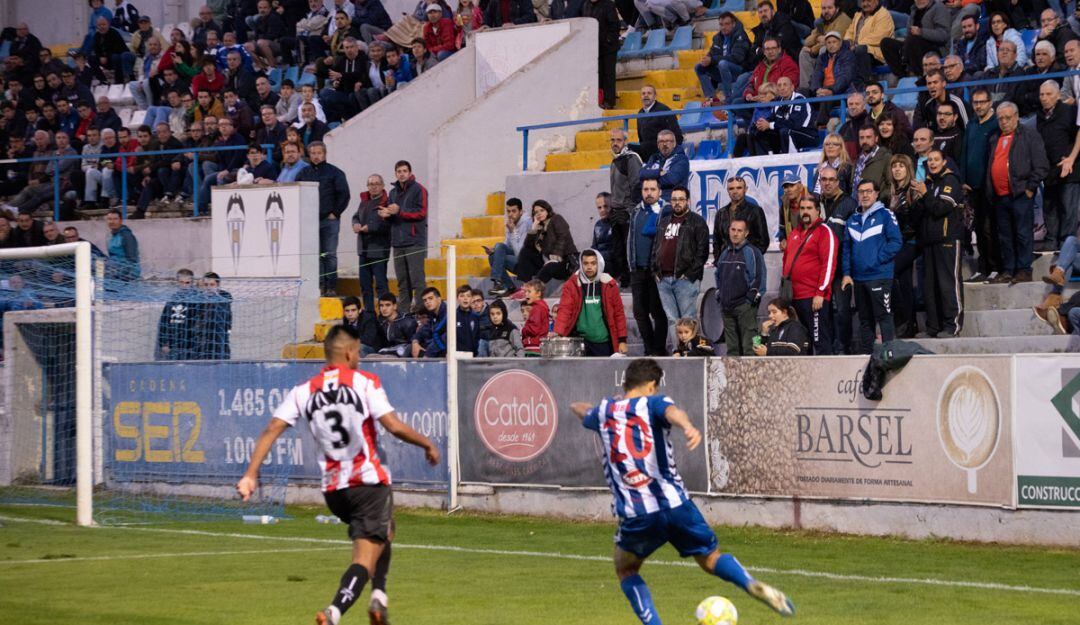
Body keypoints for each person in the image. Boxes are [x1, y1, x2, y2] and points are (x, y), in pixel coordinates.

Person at [236, 324, 440, 625]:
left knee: (386, 529)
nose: (359, 357)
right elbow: (393, 426)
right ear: (348, 352)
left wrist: (250, 475)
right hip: (368, 482)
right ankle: (334, 612)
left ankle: (379, 598)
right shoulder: (365, 382)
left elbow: (271, 430)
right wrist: (427, 443)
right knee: (364, 561)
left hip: (334, 491)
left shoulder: (302, 391)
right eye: (358, 352)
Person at [569, 358, 795, 625]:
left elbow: (580, 409)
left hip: (638, 512)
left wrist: (593, 409)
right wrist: (687, 426)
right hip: (677, 505)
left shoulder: (605, 412)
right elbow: (672, 412)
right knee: (711, 558)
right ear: (652, 385)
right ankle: (748, 583)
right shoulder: (653, 402)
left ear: (624, 383)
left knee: (626, 569)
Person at [986, 101, 1049, 284]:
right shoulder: (994, 137)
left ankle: (1024, 269)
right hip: (1000, 196)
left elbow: (1041, 165)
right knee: (1005, 236)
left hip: (1020, 194)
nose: (1004, 122)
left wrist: (1030, 188)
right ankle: (1008, 269)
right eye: (1000, 118)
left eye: (1007, 117)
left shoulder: (1029, 134)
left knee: (1022, 234)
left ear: (1016, 116)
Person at [842, 179, 902, 353]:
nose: (865, 195)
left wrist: (877, 260)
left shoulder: (885, 214)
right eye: (861, 191)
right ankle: (867, 356)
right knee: (864, 319)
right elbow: (846, 249)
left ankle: (889, 355)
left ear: (876, 194)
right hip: (859, 279)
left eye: (869, 191)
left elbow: (896, 242)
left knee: (884, 316)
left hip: (879, 276)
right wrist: (847, 273)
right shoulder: (851, 219)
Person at [913, 148, 964, 338]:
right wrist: (917, 199)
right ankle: (933, 327)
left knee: (948, 284)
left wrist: (925, 195)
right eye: (930, 160)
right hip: (929, 242)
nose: (932, 163)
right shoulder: (928, 184)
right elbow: (920, 213)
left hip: (948, 240)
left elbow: (941, 208)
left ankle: (953, 325)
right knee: (930, 287)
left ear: (944, 163)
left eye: (936, 160)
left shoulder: (950, 181)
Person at [651, 184, 708, 343]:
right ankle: (677, 353)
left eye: (681, 199)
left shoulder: (697, 221)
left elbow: (702, 252)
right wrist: (655, 271)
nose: (677, 203)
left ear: (688, 201)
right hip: (663, 279)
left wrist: (690, 275)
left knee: (688, 319)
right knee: (672, 320)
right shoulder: (663, 222)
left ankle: (693, 353)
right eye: (674, 199)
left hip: (685, 280)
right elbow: (655, 247)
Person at [782, 196, 837, 355]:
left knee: (820, 342)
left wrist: (820, 292)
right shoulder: (794, 233)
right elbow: (787, 260)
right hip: (794, 297)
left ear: (818, 211)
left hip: (814, 297)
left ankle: (825, 377)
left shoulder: (824, 231)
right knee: (801, 343)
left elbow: (829, 265)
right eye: (802, 208)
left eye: (809, 208)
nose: (805, 212)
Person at [296, 141, 350, 296]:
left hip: (329, 220)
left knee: (330, 254)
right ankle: (319, 286)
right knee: (316, 255)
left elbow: (344, 194)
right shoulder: (303, 173)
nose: (316, 156)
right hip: (310, 222)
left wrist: (335, 213)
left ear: (324, 154)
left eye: (319, 153)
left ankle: (331, 287)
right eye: (313, 153)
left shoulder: (335, 172)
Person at [553, 249, 628, 357]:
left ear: (599, 264)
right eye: (586, 263)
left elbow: (618, 313)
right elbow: (564, 310)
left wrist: (622, 340)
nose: (589, 267)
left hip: (603, 343)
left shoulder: (609, 284)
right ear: (581, 264)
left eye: (593, 263)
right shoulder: (572, 284)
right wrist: (558, 333)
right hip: (579, 342)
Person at [1036, 80, 1080, 252]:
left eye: (1048, 94)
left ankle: (1065, 243)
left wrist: (1070, 158)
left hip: (1070, 168)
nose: (1044, 98)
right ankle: (1051, 240)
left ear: (1058, 95)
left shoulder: (1070, 112)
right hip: (1049, 170)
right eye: (1041, 94)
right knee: (1050, 208)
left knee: (1068, 209)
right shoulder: (1039, 116)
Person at [628, 178, 669, 356]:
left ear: (659, 191)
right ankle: (649, 347)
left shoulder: (665, 210)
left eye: (653, 189)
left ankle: (658, 349)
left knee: (658, 312)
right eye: (646, 189)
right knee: (639, 312)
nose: (649, 193)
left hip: (656, 270)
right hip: (637, 269)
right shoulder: (636, 211)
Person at [715, 218, 767, 356]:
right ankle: (734, 377)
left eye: (740, 230)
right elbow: (718, 275)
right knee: (732, 349)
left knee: (750, 346)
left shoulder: (752, 252)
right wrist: (720, 295)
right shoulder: (725, 252)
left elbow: (759, 279)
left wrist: (750, 301)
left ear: (746, 233)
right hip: (726, 307)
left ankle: (752, 376)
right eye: (733, 230)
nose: (735, 233)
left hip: (745, 307)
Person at [384, 160, 428, 308]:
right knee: (402, 282)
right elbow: (393, 214)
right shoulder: (392, 192)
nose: (401, 174)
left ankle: (422, 313)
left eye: (404, 171)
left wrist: (399, 212)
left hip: (414, 242)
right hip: (397, 242)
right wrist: (386, 214)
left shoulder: (419, 189)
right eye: (398, 171)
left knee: (417, 280)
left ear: (410, 173)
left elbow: (421, 213)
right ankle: (404, 314)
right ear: (395, 173)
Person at [887, 153, 921, 338]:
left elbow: (915, 221)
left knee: (889, 272)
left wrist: (899, 239)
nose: (897, 169)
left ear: (908, 169)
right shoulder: (893, 192)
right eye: (894, 166)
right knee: (905, 283)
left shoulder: (913, 189)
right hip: (899, 243)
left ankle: (901, 319)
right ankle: (910, 324)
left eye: (901, 165)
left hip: (911, 242)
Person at [513, 200, 578, 286]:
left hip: (564, 262)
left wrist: (556, 255)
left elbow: (562, 237)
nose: (539, 213)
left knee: (550, 266)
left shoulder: (556, 219)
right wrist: (533, 228)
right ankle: (525, 285)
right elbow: (528, 246)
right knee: (525, 251)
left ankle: (533, 288)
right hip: (546, 261)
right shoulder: (539, 227)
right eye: (536, 212)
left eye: (542, 210)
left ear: (547, 210)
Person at [881, 0, 951, 78]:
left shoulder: (938, 7)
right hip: (913, 45)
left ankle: (917, 75)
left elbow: (944, 35)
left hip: (935, 48)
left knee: (913, 39)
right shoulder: (914, 9)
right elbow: (908, 34)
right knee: (886, 43)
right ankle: (903, 77)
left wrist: (921, 32)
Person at [353, 174, 392, 312]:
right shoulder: (364, 202)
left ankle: (384, 313)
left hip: (379, 249)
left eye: (376, 183)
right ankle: (369, 313)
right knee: (365, 285)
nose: (374, 186)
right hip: (363, 250)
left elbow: (388, 224)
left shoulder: (387, 202)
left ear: (382, 185)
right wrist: (356, 224)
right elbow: (356, 216)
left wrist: (370, 228)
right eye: (371, 184)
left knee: (381, 284)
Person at [697, 12, 754, 101]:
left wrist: (712, 60)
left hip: (740, 72)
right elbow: (712, 53)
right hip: (724, 71)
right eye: (721, 24)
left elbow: (737, 58)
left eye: (727, 24)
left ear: (733, 24)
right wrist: (706, 59)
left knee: (723, 64)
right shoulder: (718, 38)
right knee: (699, 67)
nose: (723, 27)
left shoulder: (740, 36)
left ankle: (728, 98)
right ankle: (711, 97)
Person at [799, 0, 852, 90]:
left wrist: (812, 50)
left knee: (823, 49)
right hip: (823, 54)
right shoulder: (823, 21)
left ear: (837, 8)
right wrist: (818, 37)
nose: (826, 11)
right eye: (823, 8)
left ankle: (824, 85)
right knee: (804, 53)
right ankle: (806, 90)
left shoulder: (843, 20)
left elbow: (832, 42)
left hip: (840, 56)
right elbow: (807, 41)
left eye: (829, 8)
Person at [486, 197, 531, 297]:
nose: (510, 214)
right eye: (508, 211)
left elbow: (520, 251)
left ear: (521, 211)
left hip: (525, 261)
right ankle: (509, 286)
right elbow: (506, 245)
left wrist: (513, 231)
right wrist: (495, 250)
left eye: (514, 211)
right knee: (493, 255)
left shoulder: (527, 223)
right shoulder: (511, 222)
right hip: (514, 257)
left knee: (497, 255)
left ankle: (498, 282)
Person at [713, 176, 770, 256]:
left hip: (748, 263)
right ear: (728, 191)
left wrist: (750, 259)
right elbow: (717, 242)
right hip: (726, 263)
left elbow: (763, 241)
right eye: (731, 188)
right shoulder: (721, 213)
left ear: (745, 189)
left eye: (739, 188)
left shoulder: (755, 211)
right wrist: (719, 261)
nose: (735, 191)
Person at [583, 0, 620, 109]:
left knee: (608, 74)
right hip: (594, 48)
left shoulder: (608, 4)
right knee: (597, 75)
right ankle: (599, 100)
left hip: (608, 48)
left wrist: (608, 40)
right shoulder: (586, 5)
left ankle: (609, 101)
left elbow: (614, 26)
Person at [844, 0, 895, 77]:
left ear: (877, 1)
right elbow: (850, 32)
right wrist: (848, 42)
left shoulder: (884, 14)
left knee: (860, 50)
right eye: (863, 1)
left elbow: (879, 37)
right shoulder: (858, 15)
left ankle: (867, 82)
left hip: (876, 53)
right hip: (856, 50)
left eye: (869, 1)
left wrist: (856, 45)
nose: (865, 4)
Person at [157, 269, 199, 360]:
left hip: (191, 346)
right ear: (177, 282)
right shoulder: (173, 299)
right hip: (174, 345)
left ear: (192, 283)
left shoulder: (198, 299)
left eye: (187, 283)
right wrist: (163, 343)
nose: (184, 286)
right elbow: (164, 322)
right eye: (181, 282)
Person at [639, 130, 690, 201]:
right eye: (661, 141)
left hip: (672, 202)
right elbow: (641, 174)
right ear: (658, 145)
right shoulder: (654, 158)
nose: (665, 144)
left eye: (668, 141)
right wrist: (658, 173)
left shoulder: (681, 159)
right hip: (652, 202)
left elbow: (671, 180)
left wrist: (650, 178)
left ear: (674, 143)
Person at [635, 85, 683, 161]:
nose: (646, 95)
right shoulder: (640, 113)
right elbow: (641, 137)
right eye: (643, 93)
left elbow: (677, 134)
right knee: (628, 149)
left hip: (661, 152)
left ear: (655, 96)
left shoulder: (664, 110)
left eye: (649, 93)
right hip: (647, 152)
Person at [196, 272, 232, 360]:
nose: (208, 287)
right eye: (206, 284)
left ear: (218, 285)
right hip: (202, 339)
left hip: (219, 338)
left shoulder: (224, 298)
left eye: (212, 284)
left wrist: (228, 330)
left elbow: (226, 319)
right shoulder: (198, 299)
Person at [590, 193, 624, 284]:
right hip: (599, 260)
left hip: (613, 263)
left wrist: (599, 256)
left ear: (611, 206)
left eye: (605, 206)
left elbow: (618, 250)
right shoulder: (598, 225)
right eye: (599, 207)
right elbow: (594, 245)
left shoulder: (617, 223)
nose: (602, 210)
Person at [852, 125, 891, 198]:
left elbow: (891, 185)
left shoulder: (885, 157)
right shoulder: (857, 159)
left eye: (868, 137)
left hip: (877, 205)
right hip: (857, 205)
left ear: (876, 138)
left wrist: (878, 198)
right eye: (861, 138)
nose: (865, 141)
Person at [411, 286, 447, 357]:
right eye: (425, 300)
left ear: (439, 299)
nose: (427, 302)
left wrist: (427, 354)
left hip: (444, 351)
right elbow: (422, 331)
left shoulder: (448, 314)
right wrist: (415, 342)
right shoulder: (432, 315)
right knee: (411, 348)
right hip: (434, 349)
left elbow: (444, 339)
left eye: (430, 298)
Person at [105, 208, 139, 281]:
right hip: (114, 274)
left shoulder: (127, 235)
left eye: (115, 219)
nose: (112, 222)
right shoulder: (109, 236)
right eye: (109, 219)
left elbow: (132, 259)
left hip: (128, 276)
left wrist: (123, 275)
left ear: (121, 221)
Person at [520, 279, 549, 356]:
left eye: (529, 292)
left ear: (538, 293)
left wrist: (524, 330)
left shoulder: (537, 308)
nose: (526, 294)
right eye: (525, 292)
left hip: (534, 348)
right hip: (536, 346)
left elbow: (534, 329)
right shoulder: (540, 307)